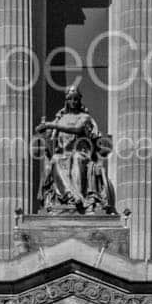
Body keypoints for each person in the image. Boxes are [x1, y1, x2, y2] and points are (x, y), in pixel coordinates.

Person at [34, 84, 115, 215]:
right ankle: (71, 196)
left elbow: (78, 129)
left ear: (79, 100)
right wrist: (44, 134)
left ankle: (78, 195)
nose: (73, 101)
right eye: (70, 99)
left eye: (75, 99)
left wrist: (51, 124)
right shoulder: (61, 118)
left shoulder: (84, 117)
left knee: (76, 158)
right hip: (63, 154)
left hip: (82, 152)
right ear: (67, 100)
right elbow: (51, 142)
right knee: (55, 159)